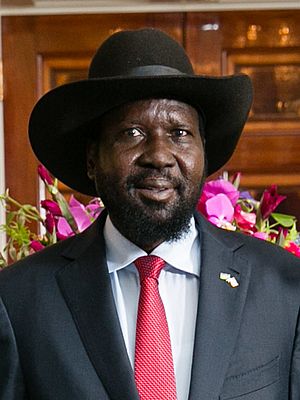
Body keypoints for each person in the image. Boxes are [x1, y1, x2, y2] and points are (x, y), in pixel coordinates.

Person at [0, 28, 300, 400]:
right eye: (133, 132)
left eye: (179, 133)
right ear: (92, 159)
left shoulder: (285, 288)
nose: (159, 155)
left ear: (203, 153)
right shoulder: (18, 300)